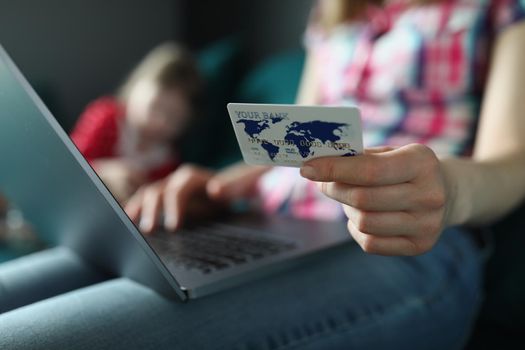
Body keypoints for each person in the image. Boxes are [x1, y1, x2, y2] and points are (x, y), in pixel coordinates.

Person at [1, 1, 525, 349]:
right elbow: (295, 146)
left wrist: (446, 191)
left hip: (410, 252)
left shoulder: (497, 9)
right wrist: (216, 183)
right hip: (270, 224)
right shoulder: (335, 14)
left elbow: (512, 163)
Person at [70, 42, 202, 203]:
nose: (161, 121)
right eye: (155, 106)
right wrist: (102, 171)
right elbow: (69, 164)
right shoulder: (105, 118)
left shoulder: (167, 161)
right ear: (135, 86)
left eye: (174, 117)